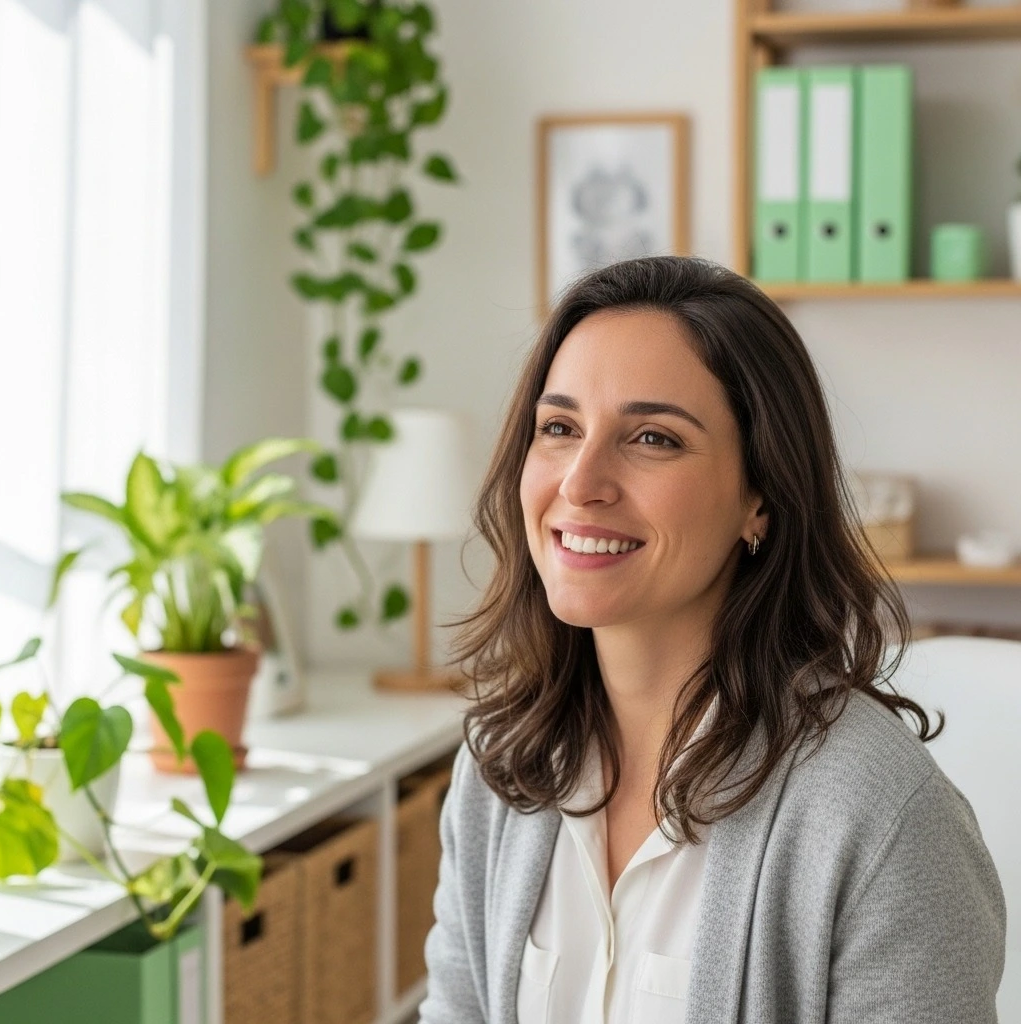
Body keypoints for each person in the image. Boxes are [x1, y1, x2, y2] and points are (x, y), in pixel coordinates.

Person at [417, 256, 1005, 1024]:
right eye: (559, 428)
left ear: (760, 497)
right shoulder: (499, 766)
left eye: (654, 438)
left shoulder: (879, 815)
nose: (580, 481)